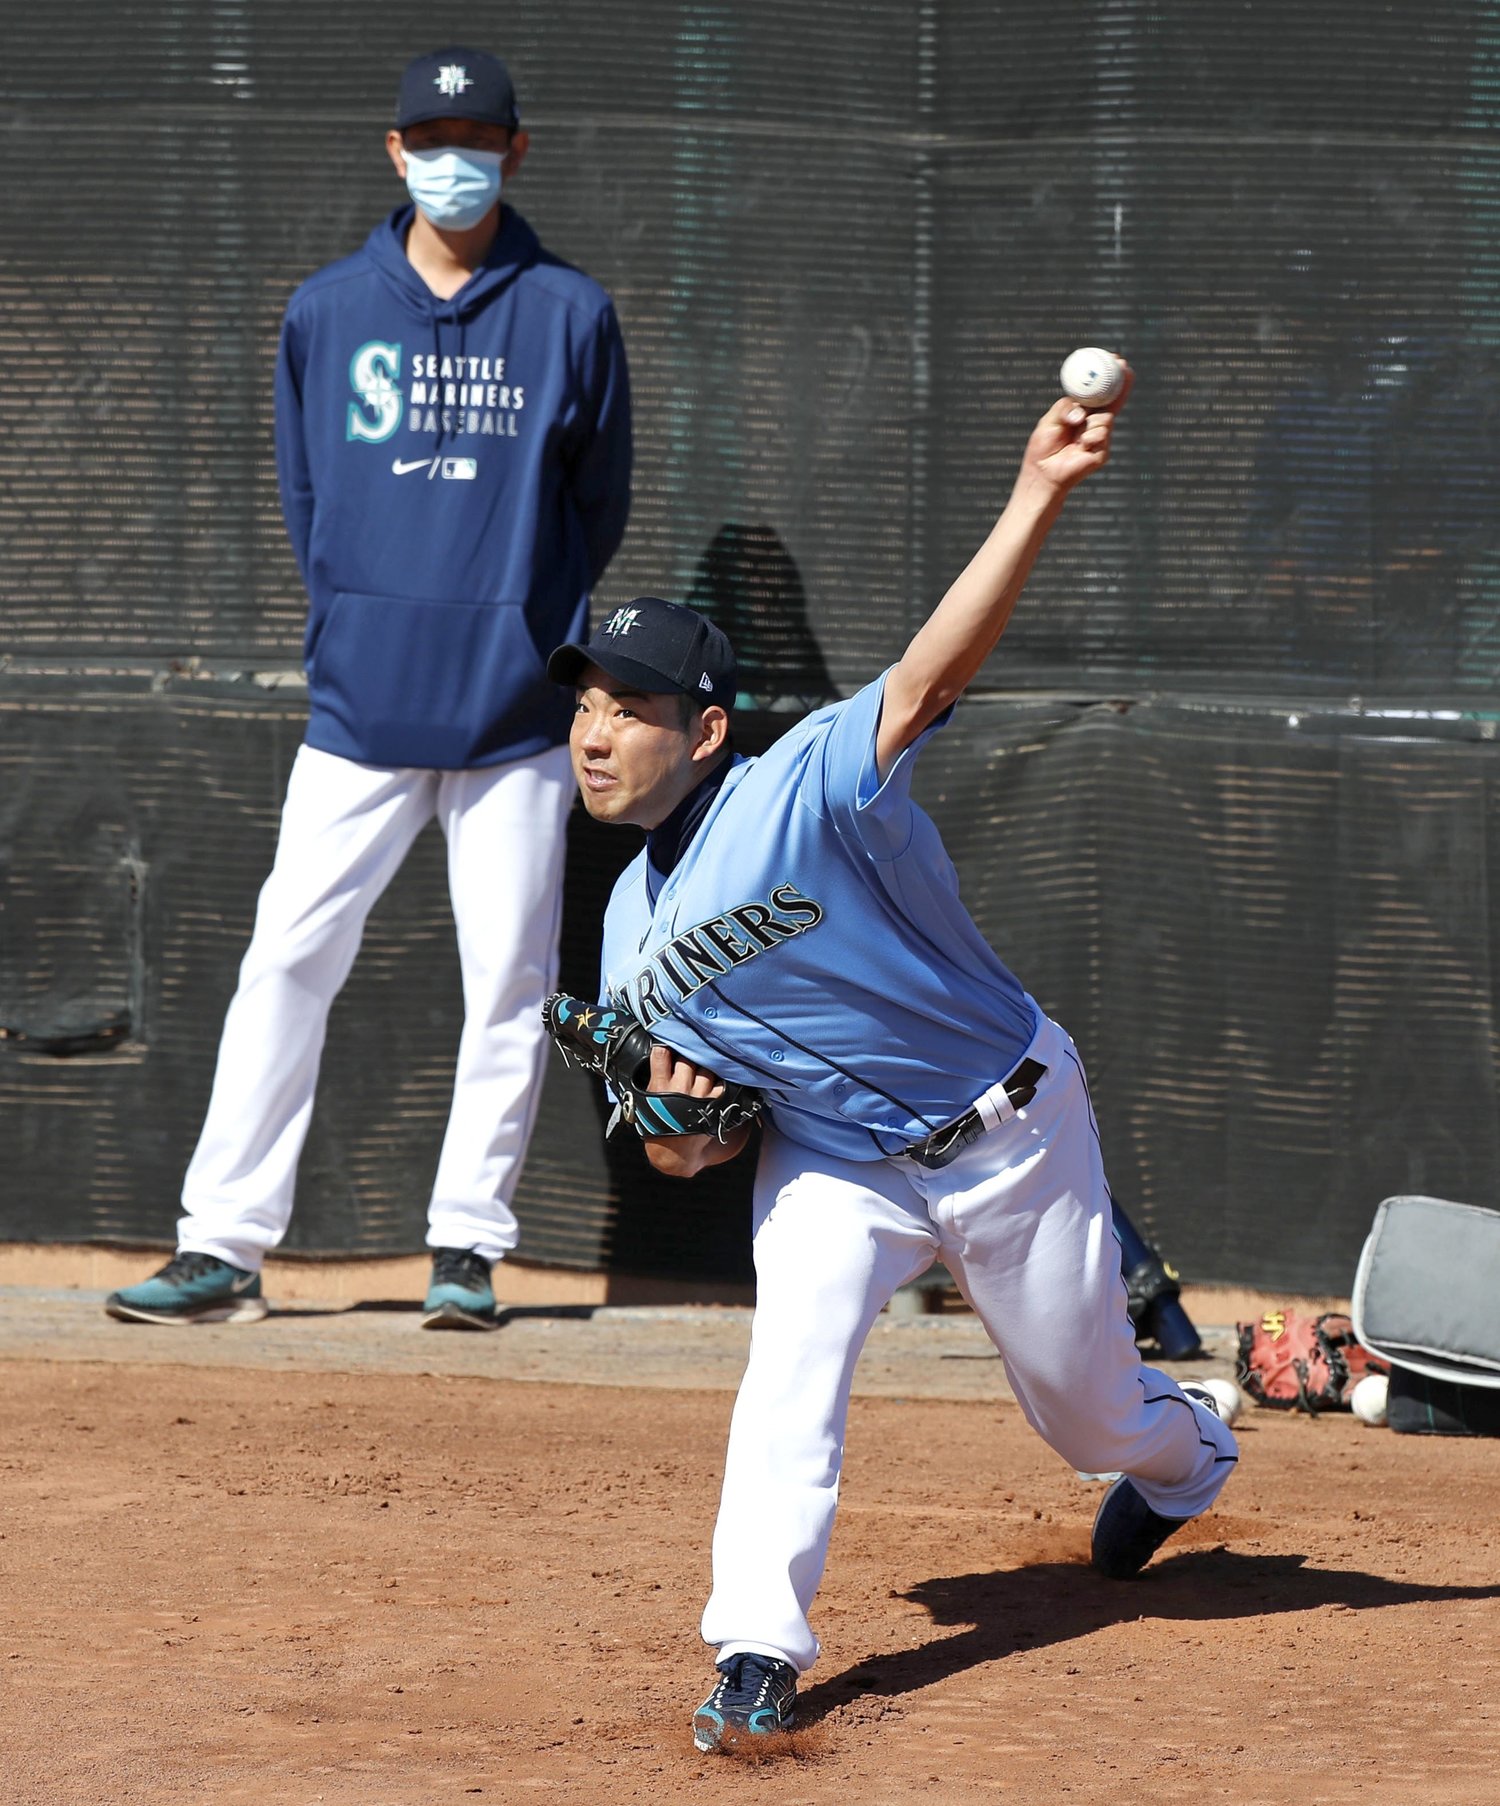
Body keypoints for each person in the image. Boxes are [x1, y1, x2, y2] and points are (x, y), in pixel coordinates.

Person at [545, 363, 1239, 1749]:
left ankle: (1188, 1456)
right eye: (584, 702)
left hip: (1013, 1129)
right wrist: (685, 1129)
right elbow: (695, 1143)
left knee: (1091, 1415)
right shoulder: (623, 934)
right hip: (834, 1163)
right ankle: (756, 1645)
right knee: (790, 1360)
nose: (596, 729)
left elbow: (931, 673)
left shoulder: (802, 782)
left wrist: (1039, 486)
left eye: (630, 705)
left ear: (707, 729)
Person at [106, 45, 632, 1330]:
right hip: (358, 714)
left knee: (507, 985)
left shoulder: (571, 312)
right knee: (285, 961)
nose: (455, 157)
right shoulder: (326, 309)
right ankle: (223, 1247)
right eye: (430, 136)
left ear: (518, 150)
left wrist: (524, 638)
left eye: (479, 135)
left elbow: (597, 509)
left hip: (513, 722)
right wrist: (359, 622)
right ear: (394, 152)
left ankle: (466, 1248)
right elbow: (307, 501)